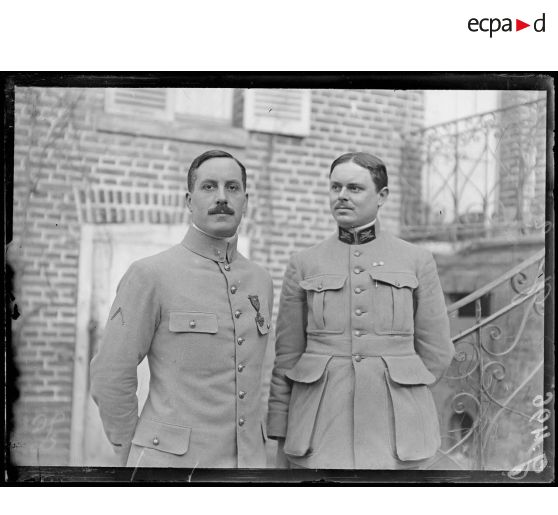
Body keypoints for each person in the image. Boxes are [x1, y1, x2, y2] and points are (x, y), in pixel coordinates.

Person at [267, 152, 454, 469]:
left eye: (354, 188)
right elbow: (287, 356)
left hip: (396, 432)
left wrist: (402, 390)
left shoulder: (416, 260)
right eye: (335, 187)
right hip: (317, 429)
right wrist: (281, 428)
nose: (341, 196)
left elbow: (436, 351)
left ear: (382, 196)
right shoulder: (304, 263)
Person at [90, 150, 273, 468]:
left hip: (249, 468)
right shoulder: (150, 274)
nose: (221, 197)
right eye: (208, 187)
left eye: (232, 187)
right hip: (170, 469)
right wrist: (132, 452)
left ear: (245, 199)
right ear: (189, 200)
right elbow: (110, 375)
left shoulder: (261, 280)